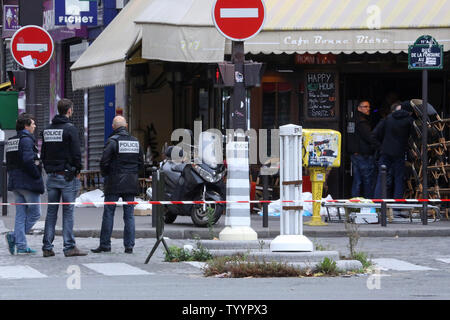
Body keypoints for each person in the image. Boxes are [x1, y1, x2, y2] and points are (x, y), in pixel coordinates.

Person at [41, 99, 87, 257]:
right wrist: (77, 169)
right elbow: (76, 153)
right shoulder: (70, 129)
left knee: (51, 212)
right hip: (67, 176)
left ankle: (47, 247)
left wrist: (48, 169)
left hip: (52, 176)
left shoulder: (47, 129)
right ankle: (69, 247)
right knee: (68, 212)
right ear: (69, 110)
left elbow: (43, 154)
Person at [91, 116, 143, 254]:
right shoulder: (135, 142)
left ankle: (105, 245)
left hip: (114, 182)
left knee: (108, 213)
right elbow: (141, 163)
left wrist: (107, 175)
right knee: (129, 215)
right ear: (125, 126)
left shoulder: (112, 141)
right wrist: (132, 174)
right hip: (131, 182)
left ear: (114, 127)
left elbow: (104, 162)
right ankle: (129, 246)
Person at [4, 113, 44, 255]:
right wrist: (36, 174)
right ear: (26, 126)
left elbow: (8, 162)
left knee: (21, 215)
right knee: (35, 213)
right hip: (27, 182)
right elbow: (28, 161)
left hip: (15, 182)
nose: (34, 126)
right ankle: (15, 237)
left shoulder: (12, 140)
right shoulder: (26, 140)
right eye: (32, 123)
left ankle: (21, 246)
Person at [373, 101, 414, 201]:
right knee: (399, 179)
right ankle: (397, 206)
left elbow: (374, 135)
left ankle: (378, 203)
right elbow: (413, 137)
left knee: (381, 178)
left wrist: (381, 147)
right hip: (400, 152)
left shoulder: (387, 119)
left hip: (386, 152)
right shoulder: (409, 120)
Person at [348, 100, 380, 198]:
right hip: (363, 154)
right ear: (359, 108)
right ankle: (368, 202)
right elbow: (369, 137)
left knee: (357, 180)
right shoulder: (362, 122)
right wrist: (379, 146)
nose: (368, 109)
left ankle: (355, 202)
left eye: (368, 107)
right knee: (367, 180)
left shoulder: (352, 121)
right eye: (365, 107)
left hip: (355, 154)